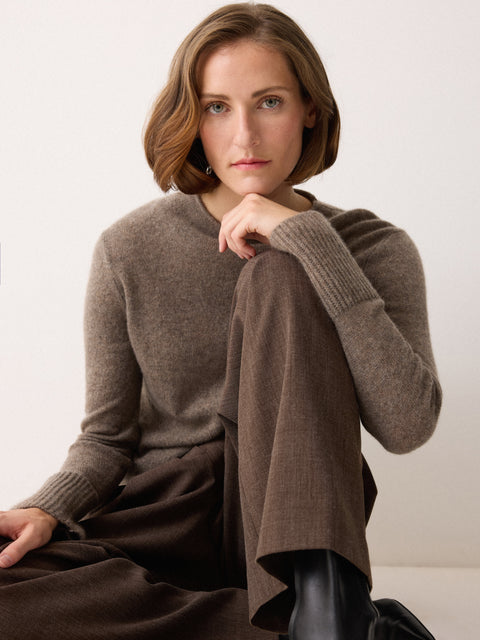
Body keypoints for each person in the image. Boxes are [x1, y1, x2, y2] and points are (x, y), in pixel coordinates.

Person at [0, 3, 442, 639]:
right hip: (165, 512)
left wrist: (309, 242)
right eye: (216, 107)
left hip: (289, 514)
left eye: (269, 103)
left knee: (280, 271)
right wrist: (46, 508)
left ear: (309, 109)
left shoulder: (370, 247)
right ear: (191, 117)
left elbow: (406, 426)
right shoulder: (131, 247)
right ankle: (319, 631)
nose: (245, 137)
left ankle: (322, 599)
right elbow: (106, 439)